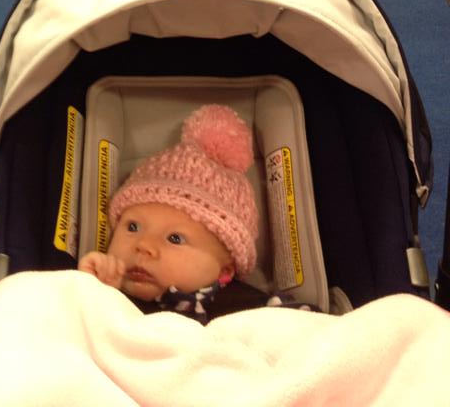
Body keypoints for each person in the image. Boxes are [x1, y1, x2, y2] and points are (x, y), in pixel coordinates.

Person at [79, 104, 310, 324]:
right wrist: (92, 289)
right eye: (132, 227)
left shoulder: (253, 310)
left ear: (225, 271)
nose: (143, 245)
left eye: (175, 238)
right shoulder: (107, 295)